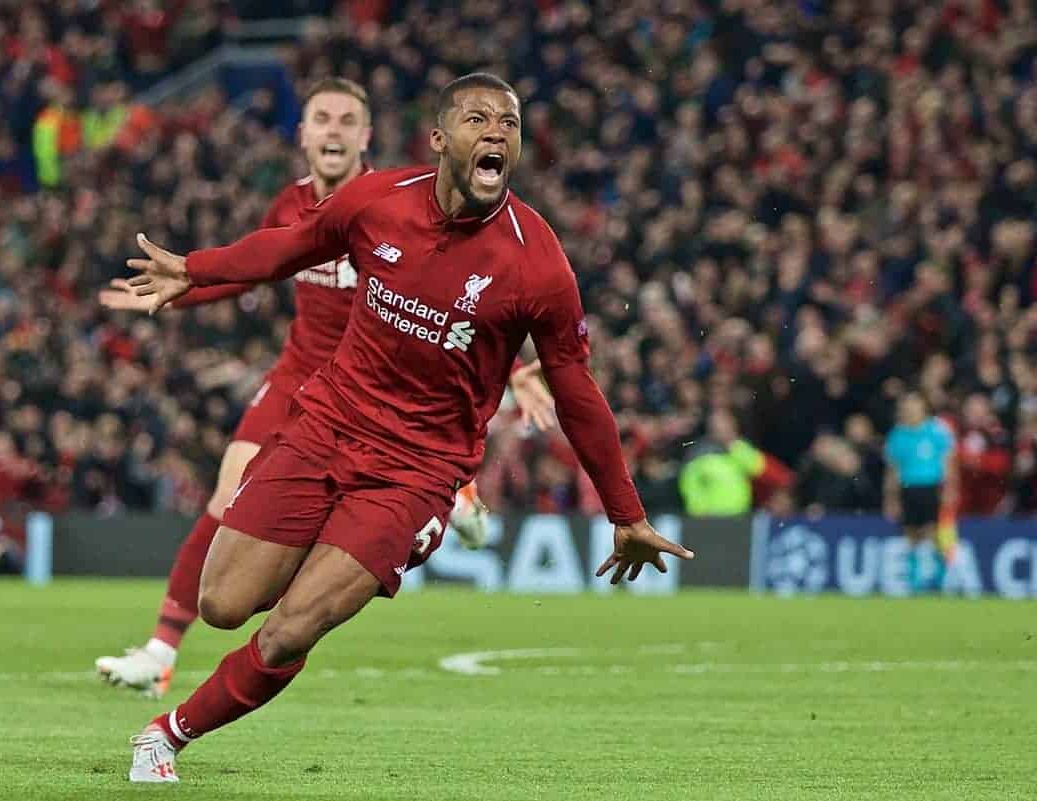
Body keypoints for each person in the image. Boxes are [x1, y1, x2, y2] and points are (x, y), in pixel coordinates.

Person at [121, 72, 694, 783]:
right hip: (326, 426)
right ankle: (309, 555)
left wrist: (625, 511)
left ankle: (167, 734)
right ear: (439, 139)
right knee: (222, 602)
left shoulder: (538, 262)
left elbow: (576, 389)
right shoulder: (377, 201)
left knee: (293, 627)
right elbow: (289, 246)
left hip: (416, 470)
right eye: (478, 119)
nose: (496, 133)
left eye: (510, 124)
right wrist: (196, 270)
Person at [93, 77, 556, 699]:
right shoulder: (288, 206)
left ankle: (448, 498)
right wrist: (178, 289)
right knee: (226, 496)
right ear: (303, 134)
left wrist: (517, 365)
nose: (333, 130)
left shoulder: (393, 202)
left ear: (365, 137)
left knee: (271, 511)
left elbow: (462, 297)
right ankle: (160, 650)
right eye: (321, 119)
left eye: (346, 121)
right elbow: (257, 268)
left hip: (373, 392)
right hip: (297, 376)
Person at [883, 392, 957, 592]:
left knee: (935, 534)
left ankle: (941, 578)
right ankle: (914, 581)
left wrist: (950, 490)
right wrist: (891, 499)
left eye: (913, 403)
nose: (909, 408)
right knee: (911, 535)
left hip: (932, 487)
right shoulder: (897, 435)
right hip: (908, 489)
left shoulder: (937, 431)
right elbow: (893, 470)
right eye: (906, 404)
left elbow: (948, 464)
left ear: (923, 406)